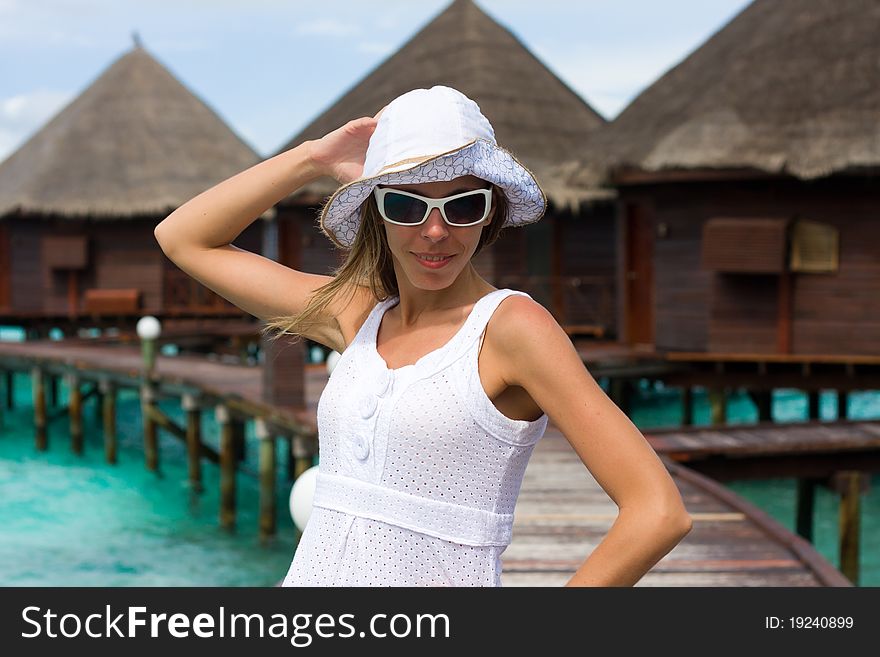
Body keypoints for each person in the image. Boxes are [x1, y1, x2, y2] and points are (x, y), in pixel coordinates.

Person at [154, 85, 692, 587]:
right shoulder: (356, 312)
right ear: (376, 213)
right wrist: (311, 159)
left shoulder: (511, 329)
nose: (435, 231)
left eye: (462, 206)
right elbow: (183, 238)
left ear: (490, 214)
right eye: (407, 205)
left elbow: (657, 511)